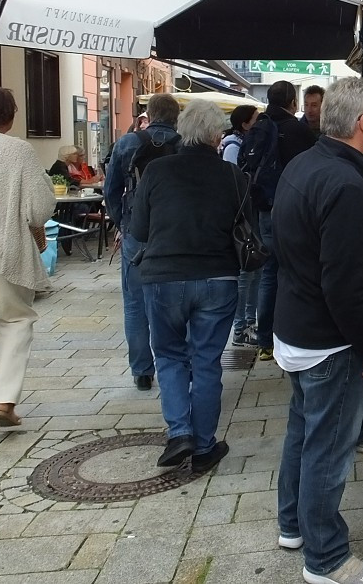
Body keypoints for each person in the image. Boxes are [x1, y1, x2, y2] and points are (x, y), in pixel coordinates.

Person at [272, 77, 363, 584]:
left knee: (304, 430)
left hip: (298, 327)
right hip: (328, 338)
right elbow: (342, 285)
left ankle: (293, 524)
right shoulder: (345, 184)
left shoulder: (305, 163)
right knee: (328, 449)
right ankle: (326, 559)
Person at [128, 100, 247, 472]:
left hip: (164, 276)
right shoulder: (233, 176)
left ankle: (179, 432)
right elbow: (245, 230)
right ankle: (204, 444)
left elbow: (140, 231)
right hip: (217, 277)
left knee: (169, 356)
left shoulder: (157, 171)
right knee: (207, 361)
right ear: (217, 136)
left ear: (182, 130)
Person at [0, 85, 55, 443]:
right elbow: (39, 209)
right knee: (17, 318)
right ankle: (3, 397)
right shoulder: (18, 150)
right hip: (4, 250)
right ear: (8, 116)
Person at [104, 93, 182, 391]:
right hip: (174, 230)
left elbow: (111, 189)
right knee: (175, 298)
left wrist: (121, 223)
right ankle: (175, 361)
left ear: (148, 114)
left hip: (136, 230)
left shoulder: (127, 143)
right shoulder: (185, 144)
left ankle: (142, 370)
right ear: (176, 117)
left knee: (135, 302)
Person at [254, 81, 317, 362]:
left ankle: (265, 341)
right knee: (295, 270)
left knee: (268, 275)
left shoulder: (259, 125)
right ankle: (290, 335)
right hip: (293, 210)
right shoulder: (297, 129)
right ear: (292, 101)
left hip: (265, 210)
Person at [221, 105, 261, 347]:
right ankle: (240, 329)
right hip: (240, 219)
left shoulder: (245, 143)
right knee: (246, 275)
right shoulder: (233, 146)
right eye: (256, 119)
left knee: (254, 273)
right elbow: (233, 183)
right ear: (245, 124)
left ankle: (248, 323)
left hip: (248, 215)